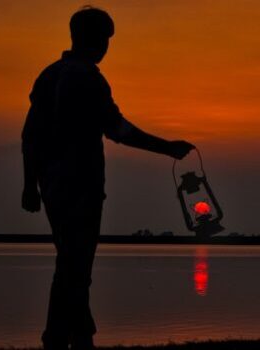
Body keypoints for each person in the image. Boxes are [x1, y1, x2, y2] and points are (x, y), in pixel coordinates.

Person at [20, 6, 194, 350]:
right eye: (104, 39)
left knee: (69, 263)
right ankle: (60, 338)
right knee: (75, 267)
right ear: (93, 39)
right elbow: (118, 130)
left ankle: (80, 336)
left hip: (52, 186)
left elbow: (30, 136)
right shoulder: (87, 78)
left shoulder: (49, 75)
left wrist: (30, 184)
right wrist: (167, 148)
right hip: (80, 186)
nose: (106, 47)